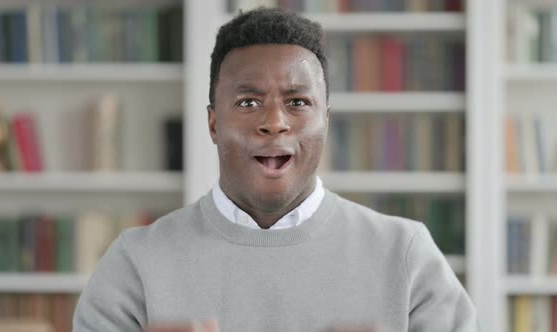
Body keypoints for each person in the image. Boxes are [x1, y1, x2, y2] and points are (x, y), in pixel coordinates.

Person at [73, 7, 479, 332]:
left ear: (326, 120)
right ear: (213, 124)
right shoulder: (136, 261)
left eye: (298, 102)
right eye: (248, 102)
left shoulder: (405, 253)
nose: (274, 122)